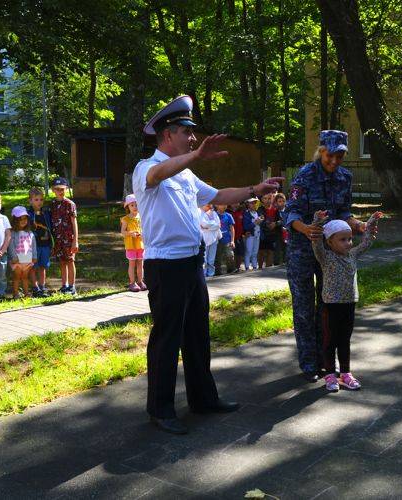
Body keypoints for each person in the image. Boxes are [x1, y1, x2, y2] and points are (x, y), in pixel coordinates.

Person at [132, 94, 282, 434]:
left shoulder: (186, 176)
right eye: (187, 132)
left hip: (191, 264)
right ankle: (161, 408)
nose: (193, 139)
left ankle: (203, 399)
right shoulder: (146, 169)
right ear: (168, 134)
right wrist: (195, 156)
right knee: (167, 338)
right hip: (165, 266)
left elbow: (217, 196)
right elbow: (158, 174)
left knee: (198, 334)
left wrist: (253, 189)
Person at [285, 130, 373, 383]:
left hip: (332, 253)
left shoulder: (345, 177)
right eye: (330, 155)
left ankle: (327, 363)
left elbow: (344, 210)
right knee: (303, 306)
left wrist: (358, 225)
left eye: (340, 156)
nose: (334, 162)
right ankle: (309, 363)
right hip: (302, 249)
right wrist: (307, 230)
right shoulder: (305, 175)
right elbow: (290, 213)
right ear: (321, 151)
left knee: (329, 308)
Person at [311, 210, 382, 392]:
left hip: (349, 304)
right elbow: (316, 241)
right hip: (331, 305)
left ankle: (345, 374)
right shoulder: (325, 257)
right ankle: (330, 375)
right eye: (342, 240)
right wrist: (318, 221)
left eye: (349, 239)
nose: (348, 243)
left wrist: (371, 222)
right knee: (330, 341)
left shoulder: (352, 255)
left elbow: (366, 241)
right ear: (330, 242)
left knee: (344, 340)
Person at [49, 177, 79, 294]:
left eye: (62, 189)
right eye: (57, 189)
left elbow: (74, 222)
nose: (60, 191)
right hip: (58, 239)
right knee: (62, 261)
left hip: (69, 238)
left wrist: (75, 240)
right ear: (53, 190)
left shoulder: (70, 204)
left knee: (70, 261)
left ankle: (72, 287)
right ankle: (64, 285)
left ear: (66, 189)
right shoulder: (52, 204)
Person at [27, 187, 53, 297]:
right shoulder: (28, 214)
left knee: (43, 266)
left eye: (41, 199)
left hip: (45, 244)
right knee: (33, 266)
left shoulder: (46, 213)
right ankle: (35, 287)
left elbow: (50, 227)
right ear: (30, 201)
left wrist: (52, 243)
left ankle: (42, 286)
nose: (39, 202)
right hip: (33, 245)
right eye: (36, 199)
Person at [7, 206, 37, 299]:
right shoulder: (12, 233)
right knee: (16, 277)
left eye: (25, 219)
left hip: (27, 260)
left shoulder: (30, 233)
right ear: (15, 220)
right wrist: (13, 257)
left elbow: (34, 246)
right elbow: (10, 246)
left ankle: (26, 294)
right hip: (17, 261)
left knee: (25, 277)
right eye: (20, 219)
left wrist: (34, 256)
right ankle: (15, 294)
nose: (23, 221)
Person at [121, 193, 145, 292]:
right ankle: (132, 282)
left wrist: (142, 233)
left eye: (136, 204)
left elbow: (144, 228)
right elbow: (123, 232)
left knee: (140, 263)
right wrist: (130, 233)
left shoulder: (141, 217)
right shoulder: (126, 219)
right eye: (132, 205)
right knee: (132, 264)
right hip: (131, 245)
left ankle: (140, 281)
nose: (135, 207)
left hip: (140, 244)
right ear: (128, 207)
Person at [200, 204, 221, 277]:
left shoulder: (214, 213)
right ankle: (204, 275)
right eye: (207, 205)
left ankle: (211, 274)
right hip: (204, 239)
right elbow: (204, 224)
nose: (209, 206)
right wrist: (212, 225)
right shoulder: (199, 212)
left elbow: (218, 225)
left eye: (210, 205)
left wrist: (208, 227)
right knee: (204, 259)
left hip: (214, 238)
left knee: (211, 260)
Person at [214, 204, 236, 275]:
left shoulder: (228, 215)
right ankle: (217, 273)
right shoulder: (213, 215)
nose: (223, 206)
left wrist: (232, 240)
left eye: (225, 204)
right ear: (216, 205)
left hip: (227, 239)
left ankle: (231, 270)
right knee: (217, 257)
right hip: (217, 240)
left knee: (230, 255)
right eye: (221, 204)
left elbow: (232, 228)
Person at [242, 198, 262, 271]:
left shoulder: (258, 212)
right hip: (250, 235)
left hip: (257, 235)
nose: (253, 204)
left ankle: (254, 267)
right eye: (251, 203)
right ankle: (247, 267)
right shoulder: (246, 213)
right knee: (248, 252)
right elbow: (246, 226)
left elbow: (261, 223)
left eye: (254, 203)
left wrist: (261, 221)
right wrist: (255, 223)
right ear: (248, 204)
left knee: (255, 252)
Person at [257, 193, 277, 268]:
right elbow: (261, 219)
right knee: (261, 252)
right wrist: (268, 224)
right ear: (262, 200)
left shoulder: (275, 209)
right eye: (265, 198)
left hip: (273, 234)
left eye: (269, 198)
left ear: (272, 199)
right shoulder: (260, 209)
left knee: (270, 251)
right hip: (263, 233)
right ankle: (259, 268)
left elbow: (281, 220)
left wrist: (276, 223)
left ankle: (268, 269)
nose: (267, 200)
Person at [273, 192, 288, 266]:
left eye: (283, 201)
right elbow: (274, 222)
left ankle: (286, 263)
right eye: (279, 201)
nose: (281, 203)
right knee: (277, 249)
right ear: (276, 202)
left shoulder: (288, 210)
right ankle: (276, 265)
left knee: (287, 249)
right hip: (278, 233)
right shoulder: (275, 211)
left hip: (288, 233)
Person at [230, 202, 246, 272]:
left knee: (240, 253)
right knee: (233, 253)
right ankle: (233, 268)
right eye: (233, 202)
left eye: (237, 202)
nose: (235, 204)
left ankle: (238, 267)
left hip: (240, 236)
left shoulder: (241, 212)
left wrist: (245, 233)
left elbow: (244, 224)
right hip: (231, 237)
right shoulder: (228, 213)